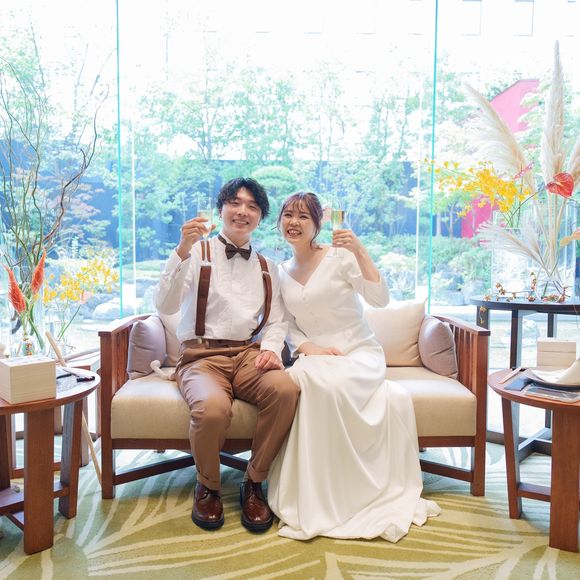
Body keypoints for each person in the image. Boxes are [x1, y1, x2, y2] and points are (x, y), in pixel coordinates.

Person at [268, 192, 440, 541]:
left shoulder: (339, 257)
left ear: (317, 224)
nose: (294, 222)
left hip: (359, 353)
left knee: (326, 384)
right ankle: (314, 491)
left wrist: (359, 249)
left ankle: (352, 491)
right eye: (288, 215)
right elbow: (287, 325)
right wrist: (310, 348)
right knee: (301, 379)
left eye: (303, 216)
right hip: (316, 355)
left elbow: (380, 298)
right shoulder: (280, 272)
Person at [155, 177, 299, 532]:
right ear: (221, 209)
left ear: (260, 217)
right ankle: (208, 487)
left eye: (252, 206)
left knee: (285, 390)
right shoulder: (195, 253)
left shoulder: (267, 267)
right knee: (212, 408)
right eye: (235, 203)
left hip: (248, 354)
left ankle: (254, 482)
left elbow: (277, 321)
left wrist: (270, 350)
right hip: (201, 357)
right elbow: (165, 304)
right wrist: (181, 249)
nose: (242, 211)